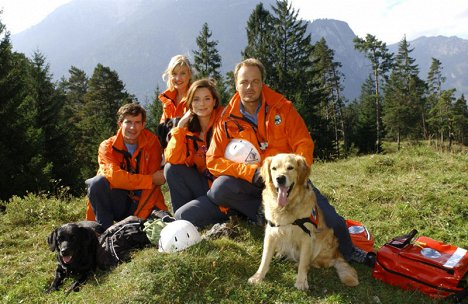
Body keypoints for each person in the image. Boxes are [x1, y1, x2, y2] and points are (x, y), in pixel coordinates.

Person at [205, 58, 373, 265]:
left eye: (255, 81)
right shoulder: (226, 118)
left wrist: (297, 174)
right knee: (220, 189)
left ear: (262, 82)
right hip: (253, 180)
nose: (249, 87)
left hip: (288, 180)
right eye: (244, 82)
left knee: (331, 220)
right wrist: (250, 172)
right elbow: (213, 160)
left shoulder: (282, 108)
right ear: (235, 84)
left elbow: (303, 142)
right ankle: (261, 215)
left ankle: (350, 251)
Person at [85, 103, 167, 230]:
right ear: (120, 124)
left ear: (143, 125)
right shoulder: (107, 147)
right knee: (97, 183)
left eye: (137, 122)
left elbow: (153, 187)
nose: (132, 127)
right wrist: (149, 179)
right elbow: (116, 178)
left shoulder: (152, 143)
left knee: (162, 226)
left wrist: (138, 219)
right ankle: (105, 231)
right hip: (117, 201)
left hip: (143, 200)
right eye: (128, 122)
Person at [164, 79, 228, 227]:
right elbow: (172, 159)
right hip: (203, 185)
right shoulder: (189, 128)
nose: (202, 104)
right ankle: (184, 219)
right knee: (171, 169)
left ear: (214, 101)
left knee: (183, 216)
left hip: (223, 191)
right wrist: (180, 127)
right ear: (190, 104)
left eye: (207, 99)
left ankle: (221, 214)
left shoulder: (225, 123)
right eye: (196, 99)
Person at [158, 55, 193, 123]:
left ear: (189, 74)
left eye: (183, 73)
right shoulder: (167, 99)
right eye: (174, 74)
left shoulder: (196, 97)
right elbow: (162, 127)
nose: (178, 78)